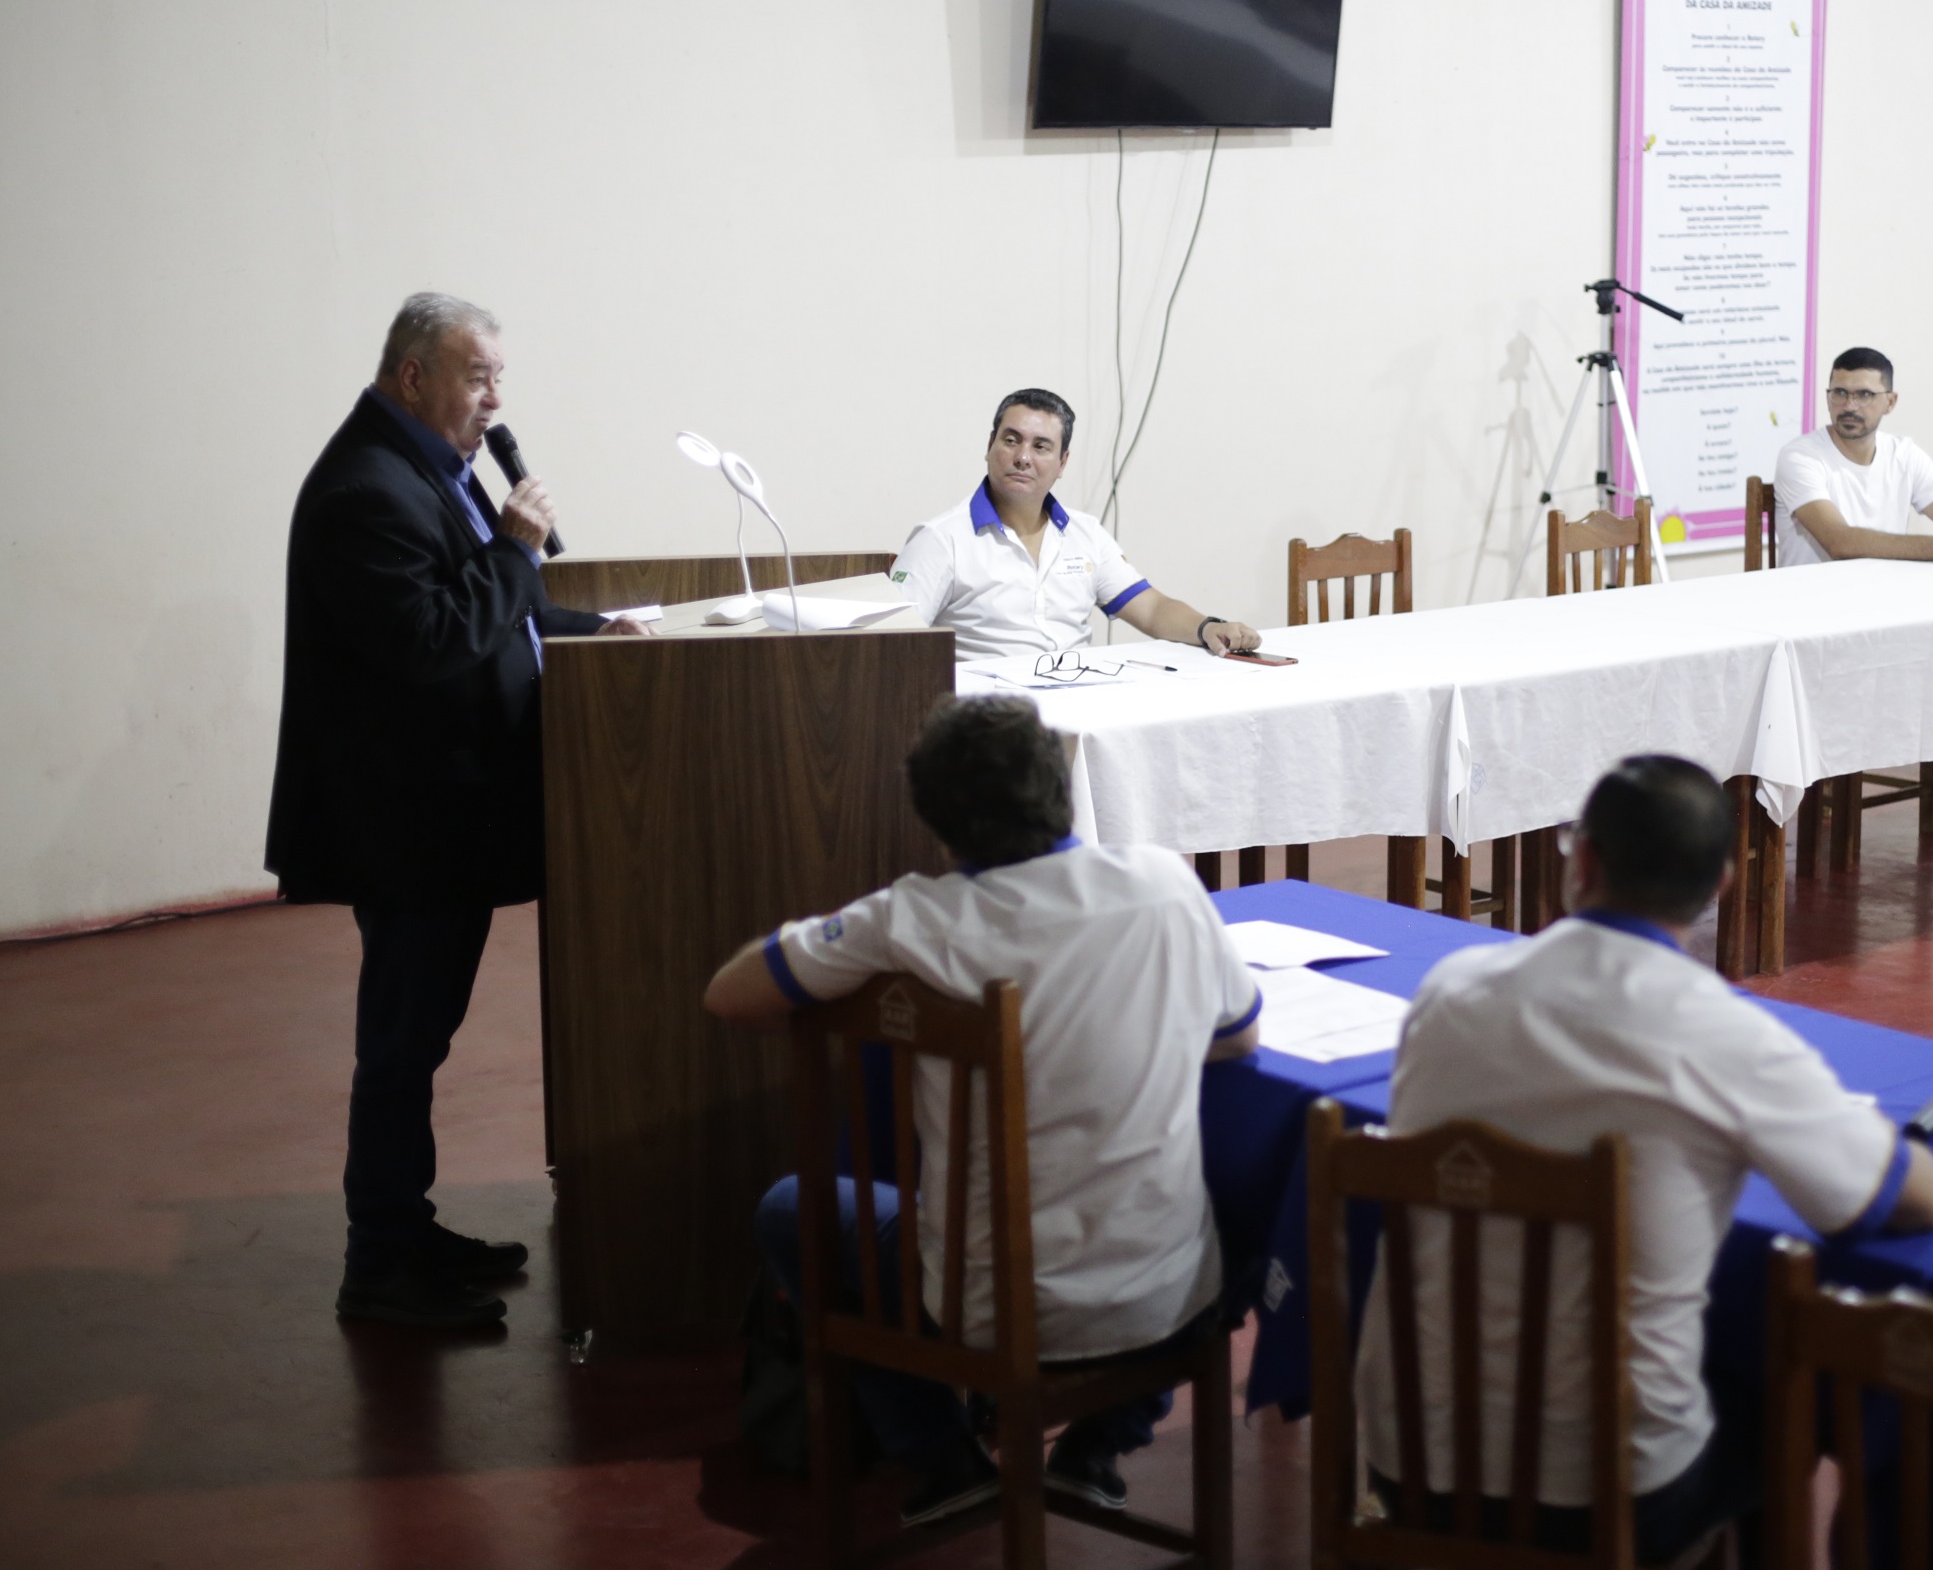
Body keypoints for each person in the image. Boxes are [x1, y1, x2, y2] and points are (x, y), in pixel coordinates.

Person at [1355, 756, 1933, 1564]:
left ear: (1583, 860)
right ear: (1722, 885)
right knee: (1789, 1386)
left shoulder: (1451, 990)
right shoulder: (1722, 1033)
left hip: (1410, 1467)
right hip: (1604, 1493)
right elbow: (1909, 1200)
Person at [704, 694, 1261, 1524]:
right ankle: (1096, 1446)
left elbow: (730, 993)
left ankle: (944, 1460)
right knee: (1250, 1191)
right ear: (1061, 790)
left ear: (937, 824)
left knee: (792, 1211)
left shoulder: (913, 919)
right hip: (1163, 1297)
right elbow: (1238, 1037)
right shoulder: (1165, 884)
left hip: (984, 1305)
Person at [267, 293, 647, 1329]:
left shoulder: (428, 467)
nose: (494, 399)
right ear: (413, 376)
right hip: (408, 826)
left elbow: (496, 611)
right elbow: (437, 639)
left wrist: (589, 629)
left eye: (498, 379)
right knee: (400, 1048)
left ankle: (408, 1229)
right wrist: (518, 549)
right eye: (477, 376)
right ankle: (378, 1268)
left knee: (418, 1042)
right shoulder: (365, 489)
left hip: (444, 818)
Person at [1769, 347, 1933, 845]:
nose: (1849, 405)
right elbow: (1841, 542)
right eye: (1839, 393)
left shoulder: (1904, 454)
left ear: (1890, 401)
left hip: (1887, 616)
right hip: (1816, 625)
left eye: (1863, 394)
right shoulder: (1801, 457)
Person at [893, 389, 1262, 662]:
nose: (1023, 457)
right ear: (991, 445)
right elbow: (888, 643)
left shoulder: (1084, 533)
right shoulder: (941, 539)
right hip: (991, 721)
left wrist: (1207, 628)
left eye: (1041, 447)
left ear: (1062, 462)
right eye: (1011, 440)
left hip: (1078, 698)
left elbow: (1151, 609)